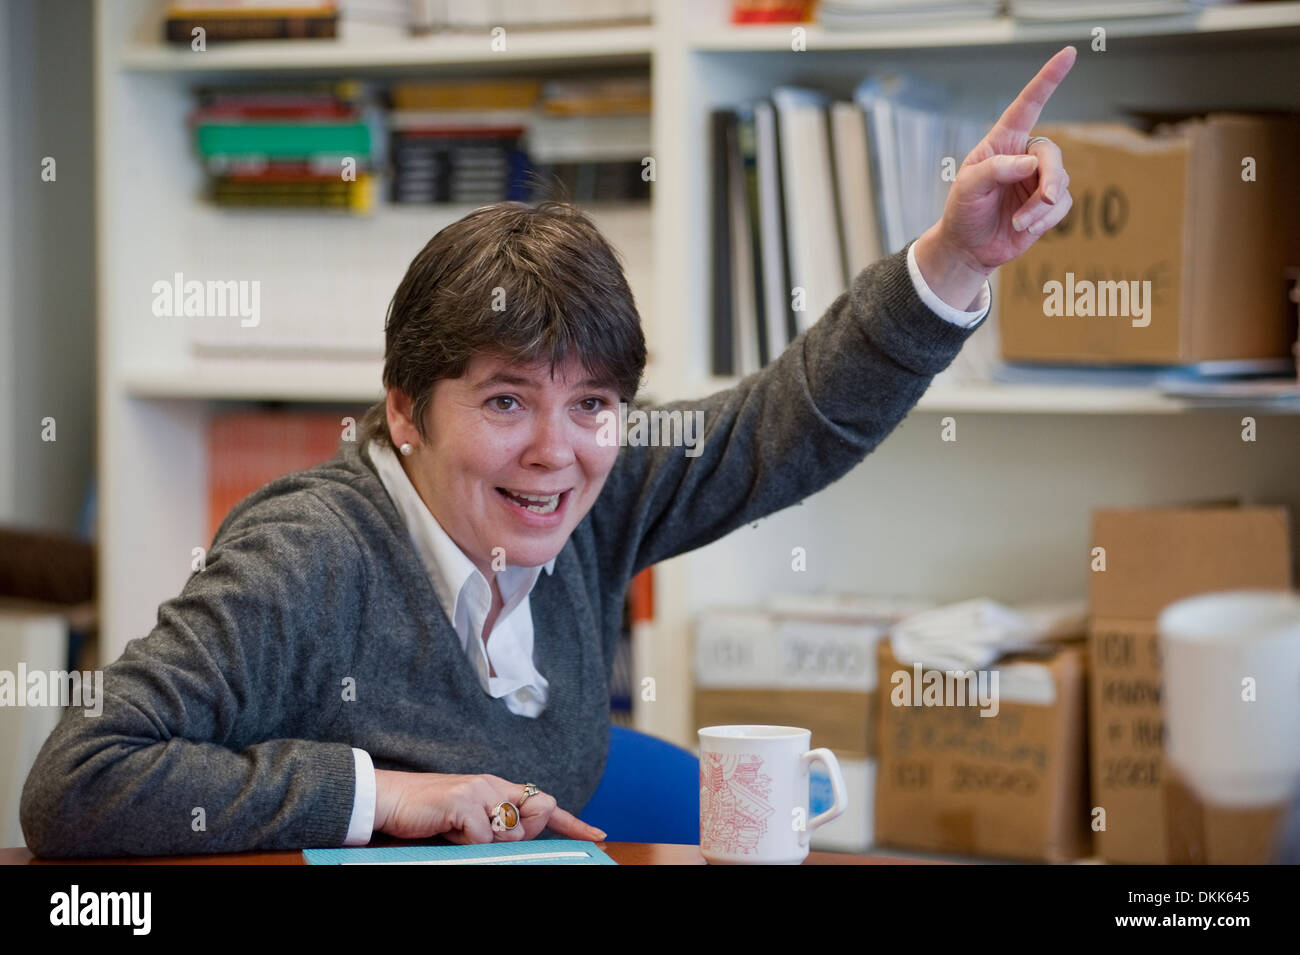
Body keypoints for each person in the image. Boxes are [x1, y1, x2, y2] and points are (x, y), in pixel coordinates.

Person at [19, 47, 1077, 857]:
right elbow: (78, 781)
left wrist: (955, 258)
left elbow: (783, 427)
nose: (553, 451)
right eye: (505, 400)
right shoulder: (310, 557)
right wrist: (384, 792)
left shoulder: (591, 489)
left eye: (593, 403)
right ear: (405, 410)